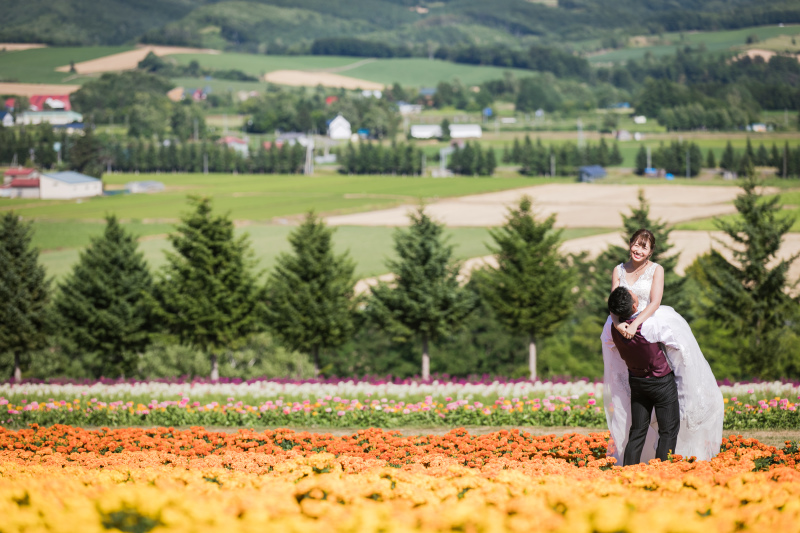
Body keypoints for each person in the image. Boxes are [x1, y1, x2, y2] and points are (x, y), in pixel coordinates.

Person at [600, 228, 724, 463]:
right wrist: (618, 326)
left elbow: (655, 302)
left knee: (677, 362)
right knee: (629, 397)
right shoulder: (618, 270)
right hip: (622, 328)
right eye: (635, 244)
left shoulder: (657, 270)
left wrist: (635, 324)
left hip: (647, 322)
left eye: (643, 247)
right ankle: (645, 460)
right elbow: (614, 304)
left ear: (651, 251)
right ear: (630, 244)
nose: (638, 250)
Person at [607, 286, 680, 465]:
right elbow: (675, 344)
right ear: (634, 307)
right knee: (668, 430)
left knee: (638, 430)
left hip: (637, 382)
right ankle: (662, 470)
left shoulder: (613, 327)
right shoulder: (650, 324)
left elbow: (611, 346)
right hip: (661, 381)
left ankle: (629, 470)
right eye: (633, 295)